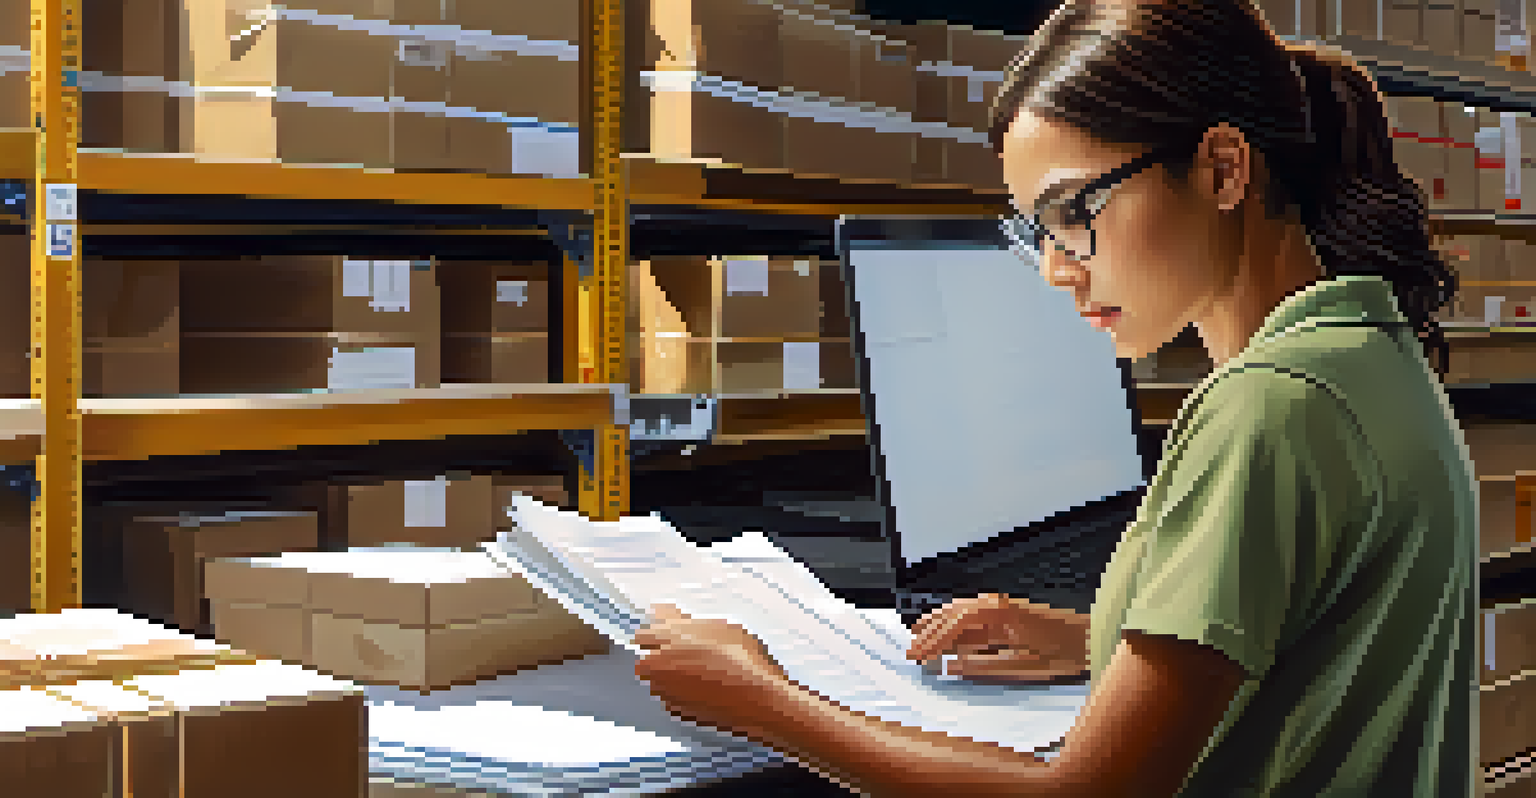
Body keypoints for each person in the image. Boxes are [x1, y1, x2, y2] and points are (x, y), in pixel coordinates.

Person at [631, 1, 1478, 795]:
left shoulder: (1269, 408)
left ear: (1223, 169)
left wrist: (762, 701)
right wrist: (1099, 640)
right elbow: (1316, 644)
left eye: (1077, 211)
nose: (1054, 265)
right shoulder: (1370, 353)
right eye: (1037, 228)